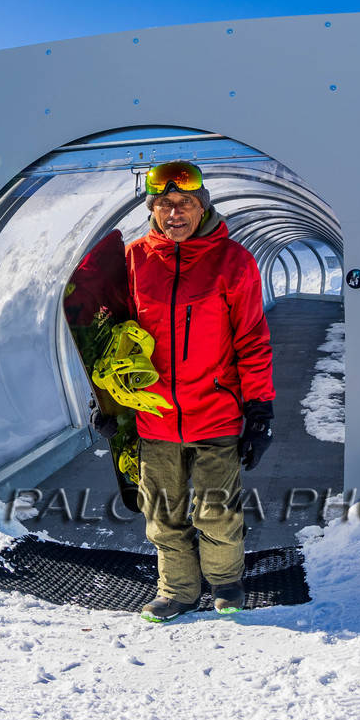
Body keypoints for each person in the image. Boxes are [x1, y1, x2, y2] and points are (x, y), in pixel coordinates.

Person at [124, 160, 275, 622]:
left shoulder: (233, 262)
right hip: (155, 417)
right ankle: (177, 591)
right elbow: (113, 340)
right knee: (164, 513)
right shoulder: (133, 260)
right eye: (165, 203)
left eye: (185, 202)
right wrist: (107, 400)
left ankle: (226, 583)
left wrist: (261, 408)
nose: (174, 212)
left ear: (202, 206)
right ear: (152, 208)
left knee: (216, 512)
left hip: (216, 412)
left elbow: (251, 337)